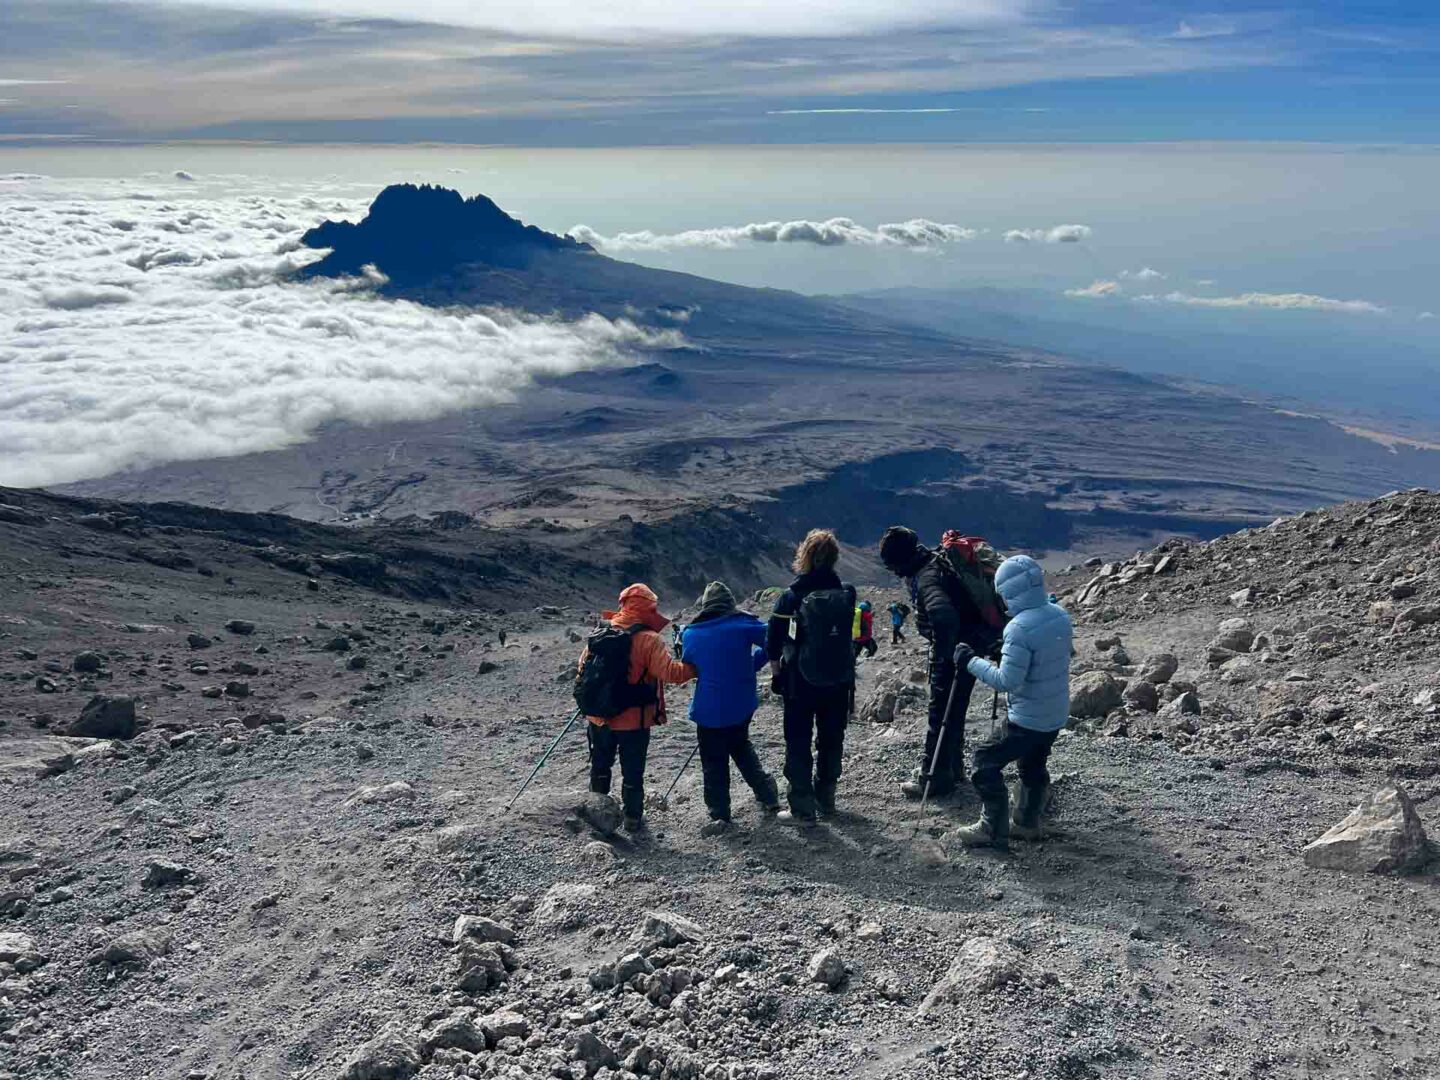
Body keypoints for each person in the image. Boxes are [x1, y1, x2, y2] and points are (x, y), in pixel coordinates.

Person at [952, 555, 1073, 850]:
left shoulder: (1018, 628)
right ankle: (1027, 822)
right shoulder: (1059, 614)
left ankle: (992, 828)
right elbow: (1043, 658)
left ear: (1008, 592)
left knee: (984, 762)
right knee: (1032, 763)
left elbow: (1007, 681)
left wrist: (970, 661)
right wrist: (1006, 651)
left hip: (1027, 718)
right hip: (1054, 715)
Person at [878, 526, 1000, 801]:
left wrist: (944, 656)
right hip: (972, 646)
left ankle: (933, 779)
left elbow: (943, 617)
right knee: (955, 710)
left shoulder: (926, 578)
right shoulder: (935, 562)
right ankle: (952, 768)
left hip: (956, 653)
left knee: (940, 714)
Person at [579, 583, 696, 833]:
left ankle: (597, 813)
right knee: (632, 772)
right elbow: (669, 673)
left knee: (600, 765)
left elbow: (583, 669)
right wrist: (696, 667)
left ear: (623, 604)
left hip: (598, 716)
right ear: (649, 609)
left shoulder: (600, 632)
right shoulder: (649, 639)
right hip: (634, 721)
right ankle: (633, 820)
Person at [767, 528, 856, 824]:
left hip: (800, 682)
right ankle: (826, 799)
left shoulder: (791, 597)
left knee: (798, 740)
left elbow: (773, 641)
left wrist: (777, 676)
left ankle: (802, 809)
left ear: (804, 555)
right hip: (839, 680)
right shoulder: (847, 593)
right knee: (831, 738)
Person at [679, 581, 781, 836]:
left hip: (708, 710)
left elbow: (689, 663)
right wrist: (752, 664)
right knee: (741, 746)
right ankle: (767, 795)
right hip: (741, 705)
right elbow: (774, 640)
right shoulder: (744, 625)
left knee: (713, 762)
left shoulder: (690, 633)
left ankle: (720, 814)